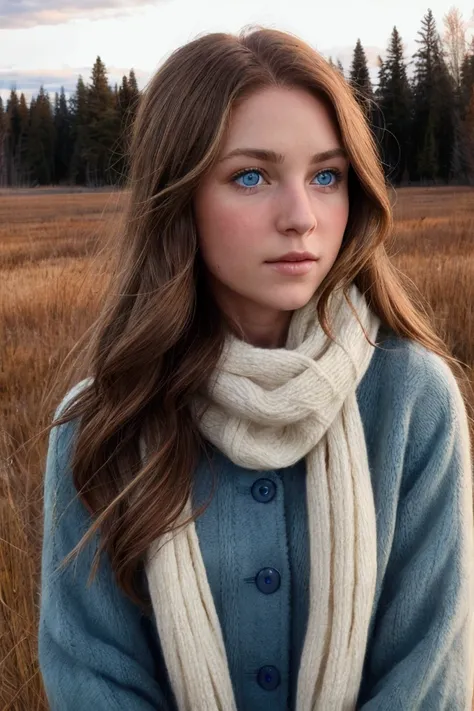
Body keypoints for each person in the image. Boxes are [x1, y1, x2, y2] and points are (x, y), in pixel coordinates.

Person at [37, 26, 474, 711]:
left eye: (326, 176)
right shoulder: (101, 423)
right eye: (252, 176)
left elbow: (430, 677)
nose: (302, 216)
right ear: (178, 199)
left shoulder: (414, 401)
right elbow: (92, 679)